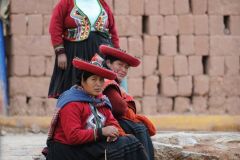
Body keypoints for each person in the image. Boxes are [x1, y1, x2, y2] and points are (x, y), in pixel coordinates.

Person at [43, 56, 149, 160]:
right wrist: (101, 132)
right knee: (123, 147)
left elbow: (112, 123)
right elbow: (73, 136)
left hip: (89, 144)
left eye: (101, 80)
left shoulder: (101, 101)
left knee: (130, 140)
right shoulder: (71, 102)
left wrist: (116, 134)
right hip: (67, 149)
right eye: (93, 79)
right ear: (82, 80)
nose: (98, 84)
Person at [48, 0, 119, 98]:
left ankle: (102, 111)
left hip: (101, 53)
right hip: (75, 52)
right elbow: (55, 26)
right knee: (75, 87)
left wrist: (116, 55)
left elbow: (113, 30)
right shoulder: (66, 3)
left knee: (104, 86)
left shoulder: (102, 3)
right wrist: (60, 51)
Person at [99, 45, 156, 160]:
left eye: (126, 67)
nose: (123, 70)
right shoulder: (106, 81)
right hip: (101, 123)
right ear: (109, 63)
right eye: (119, 65)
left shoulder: (114, 83)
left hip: (109, 120)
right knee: (138, 128)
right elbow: (119, 108)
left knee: (140, 127)